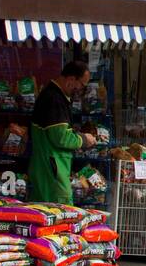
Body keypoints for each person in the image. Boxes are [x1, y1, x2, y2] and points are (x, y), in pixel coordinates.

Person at [28, 61, 95, 204]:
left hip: (49, 167)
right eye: (82, 85)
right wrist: (83, 139)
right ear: (71, 79)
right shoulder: (54, 99)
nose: (81, 90)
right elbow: (60, 136)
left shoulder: (53, 95)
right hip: (52, 169)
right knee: (61, 210)